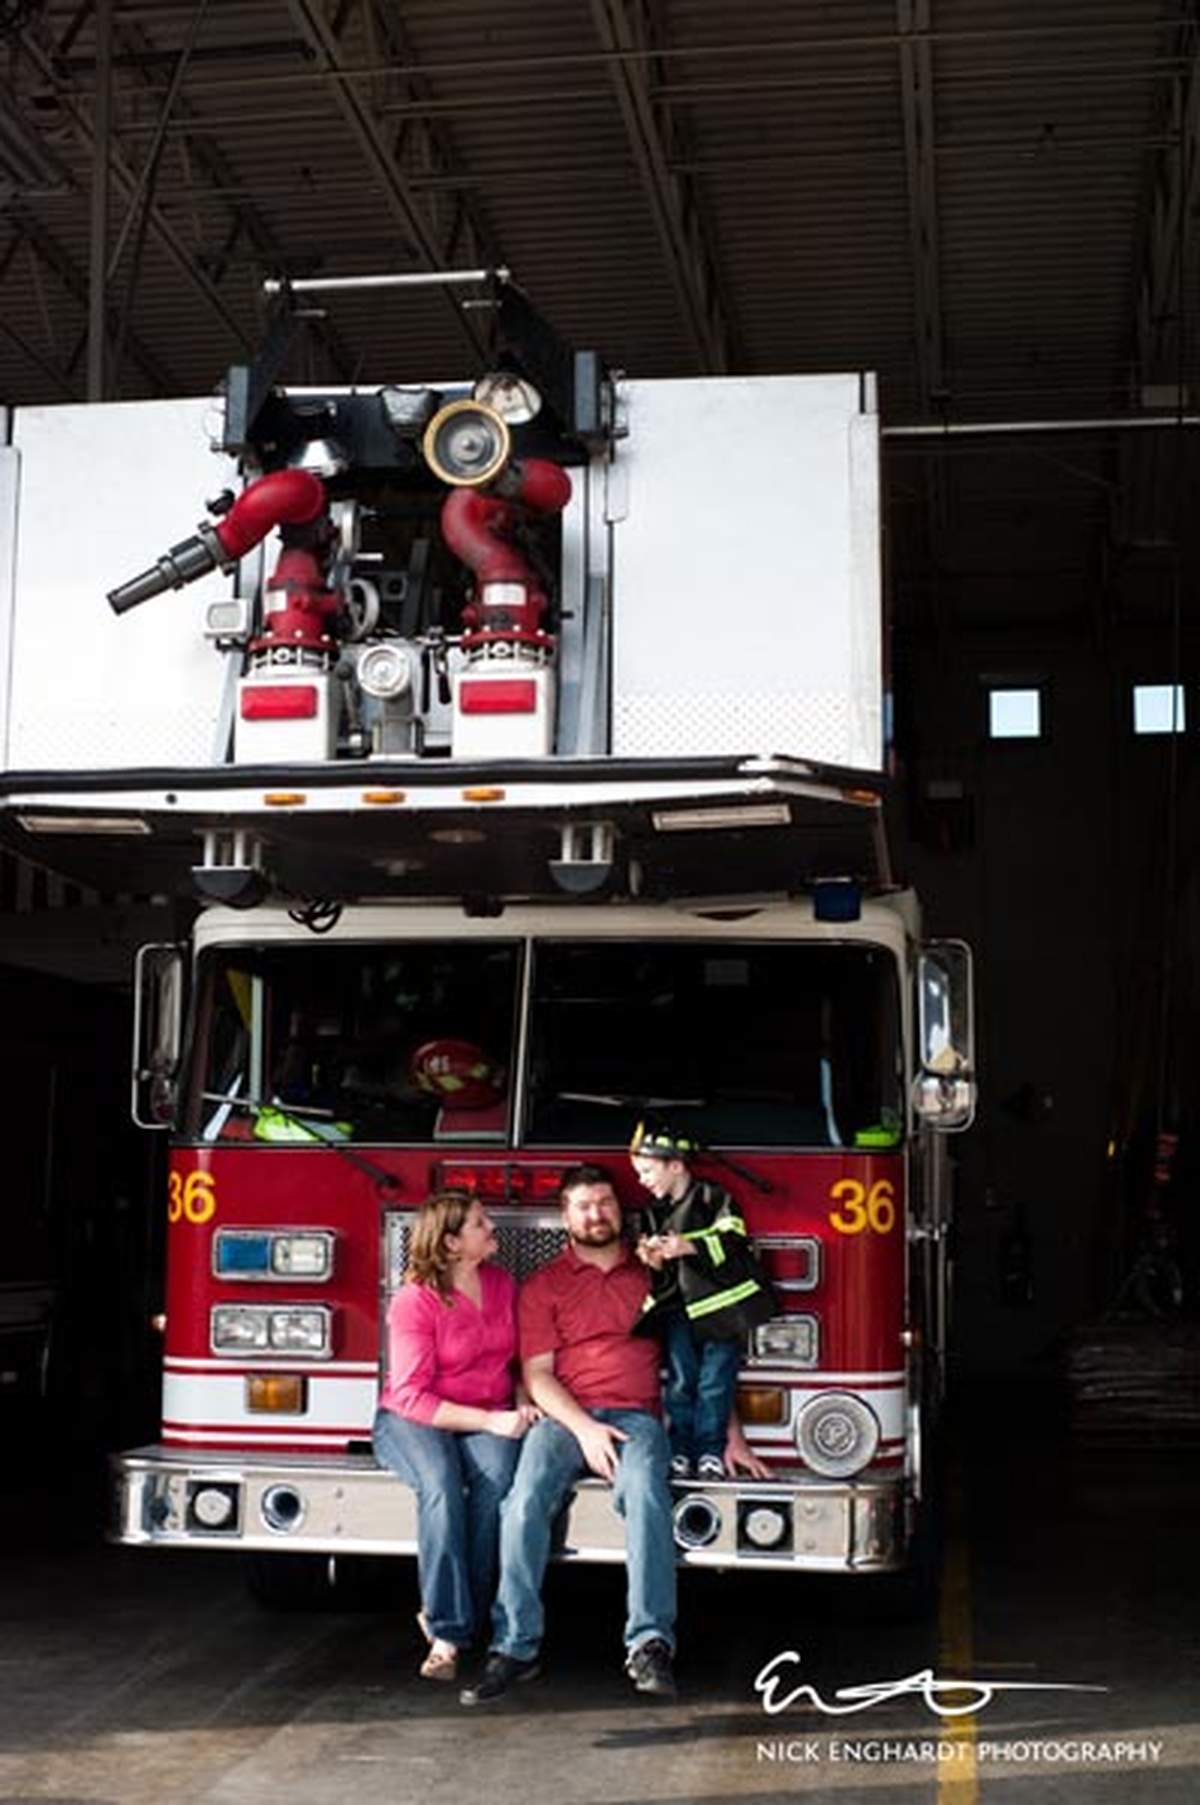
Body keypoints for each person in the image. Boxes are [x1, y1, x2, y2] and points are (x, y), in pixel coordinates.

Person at [460, 1163, 680, 1706]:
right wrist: (584, 1430)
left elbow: (697, 1358)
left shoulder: (653, 1273)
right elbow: (537, 1375)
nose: (596, 1214)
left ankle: (649, 1643)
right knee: (523, 1501)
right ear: (565, 1217)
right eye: (584, 1205)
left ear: (619, 1209)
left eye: (605, 1202)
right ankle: (514, 1646)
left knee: (649, 1497)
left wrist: (728, 1432)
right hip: (564, 1419)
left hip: (636, 1417)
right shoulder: (544, 1286)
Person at [373, 1190, 537, 1683]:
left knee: (496, 1487)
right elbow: (412, 1397)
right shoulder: (414, 1301)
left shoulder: (502, 1283)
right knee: (443, 1487)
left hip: (490, 1410)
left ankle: (472, 1618)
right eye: (480, 1223)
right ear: (450, 1244)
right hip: (414, 1420)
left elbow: (519, 1359)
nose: (493, 1229)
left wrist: (525, 1397)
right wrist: (490, 1422)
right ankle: (446, 1632)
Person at [629, 1121, 775, 1482]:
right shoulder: (653, 1211)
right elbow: (650, 1253)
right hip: (681, 1310)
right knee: (680, 1381)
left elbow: (733, 1235)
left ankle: (709, 1451)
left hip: (722, 1312)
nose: (642, 1180)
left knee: (715, 1383)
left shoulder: (713, 1197)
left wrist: (688, 1245)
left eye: (647, 1171)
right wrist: (653, 1258)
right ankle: (680, 1449)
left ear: (675, 1165)